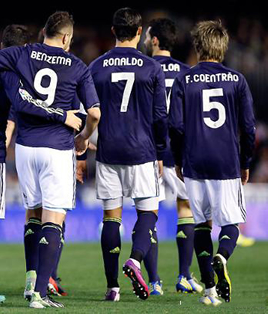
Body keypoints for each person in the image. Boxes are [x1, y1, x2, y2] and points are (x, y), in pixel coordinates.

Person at [0, 11, 101, 308]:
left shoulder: (22, 53)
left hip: (26, 148)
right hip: (57, 148)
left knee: (33, 213)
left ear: (43, 31)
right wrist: (85, 137)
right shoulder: (77, 66)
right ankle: (40, 293)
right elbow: (94, 113)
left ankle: (30, 281)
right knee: (54, 217)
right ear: (66, 37)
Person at [169, 20, 256, 306]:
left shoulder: (184, 80)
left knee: (202, 224)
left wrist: (180, 160)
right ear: (223, 47)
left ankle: (209, 291)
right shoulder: (237, 80)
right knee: (230, 223)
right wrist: (245, 162)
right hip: (225, 160)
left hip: (194, 160)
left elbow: (177, 126)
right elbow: (248, 127)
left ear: (197, 46)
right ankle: (223, 255)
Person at [87, 7, 167, 301]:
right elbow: (160, 116)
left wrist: (84, 145)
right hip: (142, 149)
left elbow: (89, 112)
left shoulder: (95, 67)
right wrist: (160, 151)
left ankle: (112, 288)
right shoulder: (151, 67)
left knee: (111, 218)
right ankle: (135, 259)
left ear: (112, 32)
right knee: (149, 212)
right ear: (138, 32)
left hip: (108, 150)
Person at [143, 18, 203, 295]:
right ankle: (184, 275)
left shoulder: (143, 69)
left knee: (149, 213)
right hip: (179, 152)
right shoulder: (187, 73)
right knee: (185, 209)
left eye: (148, 35)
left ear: (155, 40)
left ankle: (154, 281)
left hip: (150, 152)